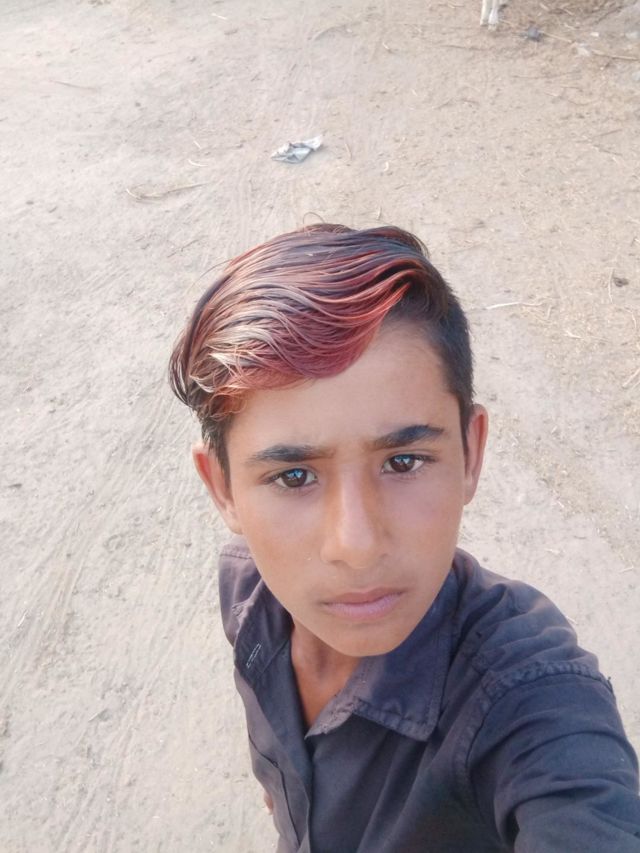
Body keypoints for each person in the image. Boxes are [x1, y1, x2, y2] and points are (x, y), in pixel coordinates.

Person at [169, 224, 640, 852]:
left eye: (404, 461)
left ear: (471, 453)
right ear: (223, 487)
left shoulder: (526, 696)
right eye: (294, 476)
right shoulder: (247, 592)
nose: (357, 545)